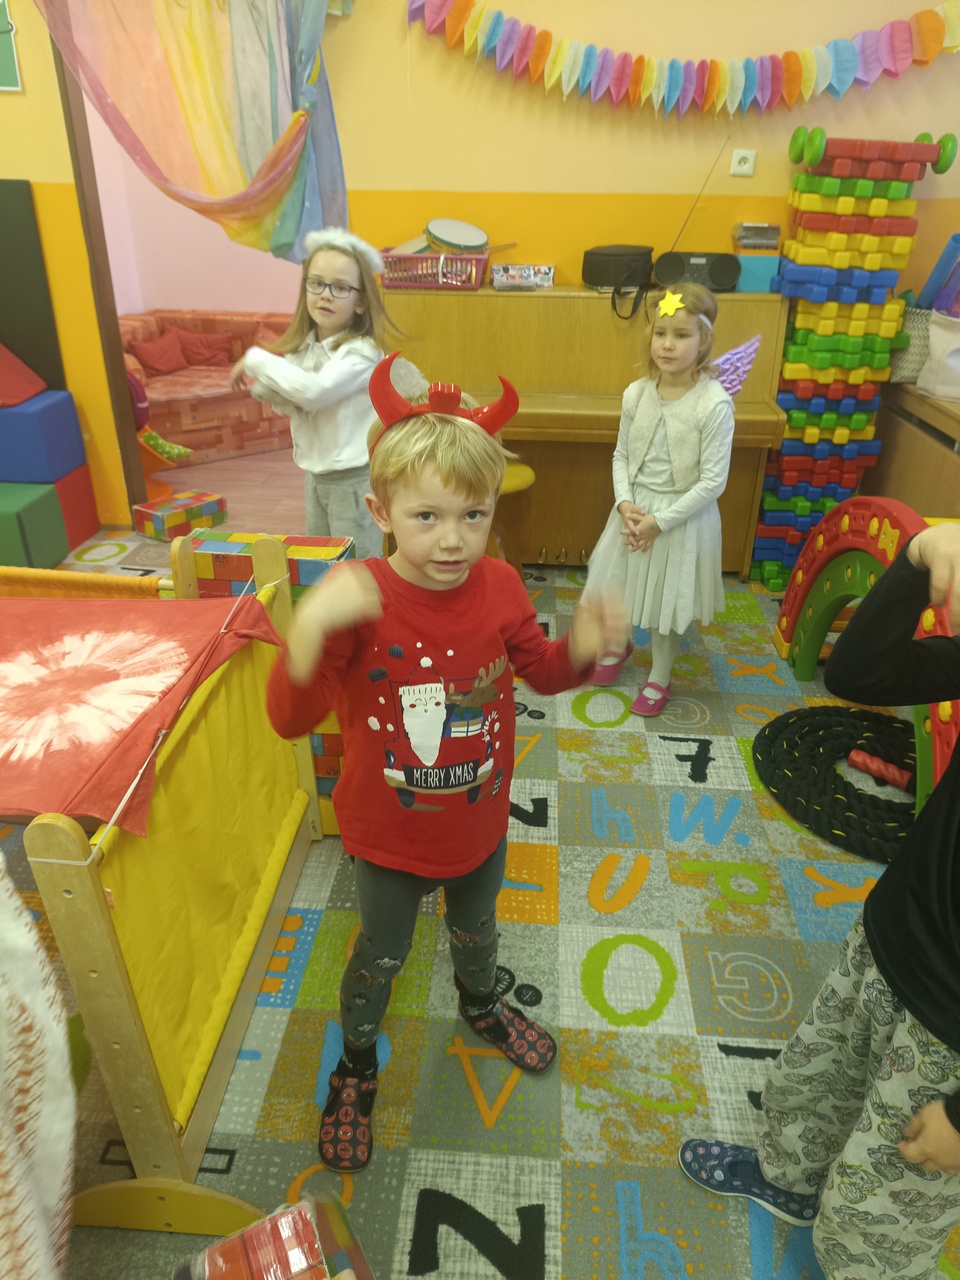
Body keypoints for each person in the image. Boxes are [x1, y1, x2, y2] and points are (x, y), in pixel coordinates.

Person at [266, 352, 625, 1174]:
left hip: (480, 821)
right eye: (426, 516)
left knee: (477, 928)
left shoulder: (499, 584)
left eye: (473, 514)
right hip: (388, 836)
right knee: (381, 955)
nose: (453, 538)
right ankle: (357, 1064)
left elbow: (542, 672)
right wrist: (310, 627)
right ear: (380, 510)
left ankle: (481, 1003)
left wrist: (584, 648)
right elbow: (291, 720)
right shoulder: (357, 596)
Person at [679, 521, 960, 1280]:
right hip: (892, 936)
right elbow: (859, 675)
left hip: (950, 1034)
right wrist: (917, 557)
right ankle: (787, 1181)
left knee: (876, 1222)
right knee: (813, 1092)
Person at [584, 283, 735, 715]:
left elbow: (713, 482)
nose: (668, 345)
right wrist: (624, 504)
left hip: (680, 518)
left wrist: (659, 522)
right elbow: (621, 455)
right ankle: (617, 646)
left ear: (703, 340)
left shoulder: (714, 404)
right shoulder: (636, 393)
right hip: (634, 511)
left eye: (681, 335)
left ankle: (660, 677)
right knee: (618, 585)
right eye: (661, 333)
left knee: (667, 602)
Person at [229, 228, 424, 558]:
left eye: (340, 287)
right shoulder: (305, 349)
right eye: (316, 283)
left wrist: (254, 359)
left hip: (354, 482)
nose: (325, 295)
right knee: (319, 559)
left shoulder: (362, 353)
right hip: (316, 478)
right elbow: (293, 392)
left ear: (361, 301)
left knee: (357, 566)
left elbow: (313, 393)